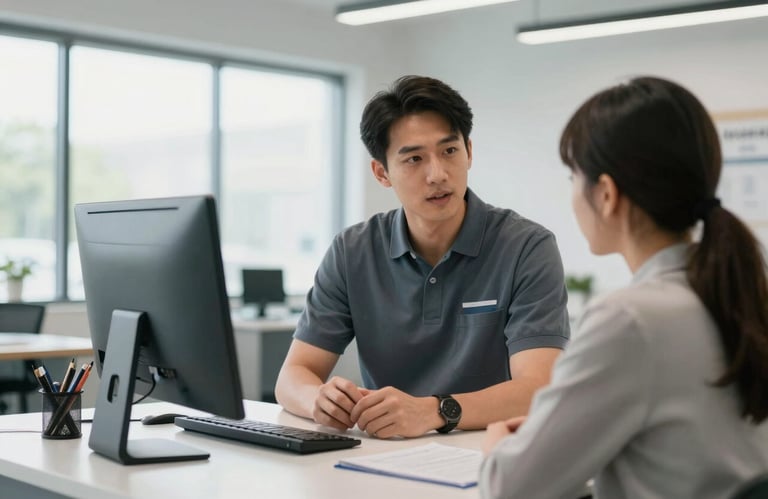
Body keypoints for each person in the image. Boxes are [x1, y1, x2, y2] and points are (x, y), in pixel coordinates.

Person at [480, 76, 768, 498]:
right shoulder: (740, 290)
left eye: (573, 177)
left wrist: (499, 448)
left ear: (607, 194)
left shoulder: (630, 319)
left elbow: (510, 489)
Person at [274, 75, 570, 439]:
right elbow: (293, 375)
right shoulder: (353, 251)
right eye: (414, 158)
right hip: (387, 452)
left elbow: (538, 387)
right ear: (382, 172)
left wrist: (434, 411)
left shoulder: (526, 246)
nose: (437, 174)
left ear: (469, 152)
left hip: (493, 453)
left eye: (449, 151)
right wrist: (318, 400)